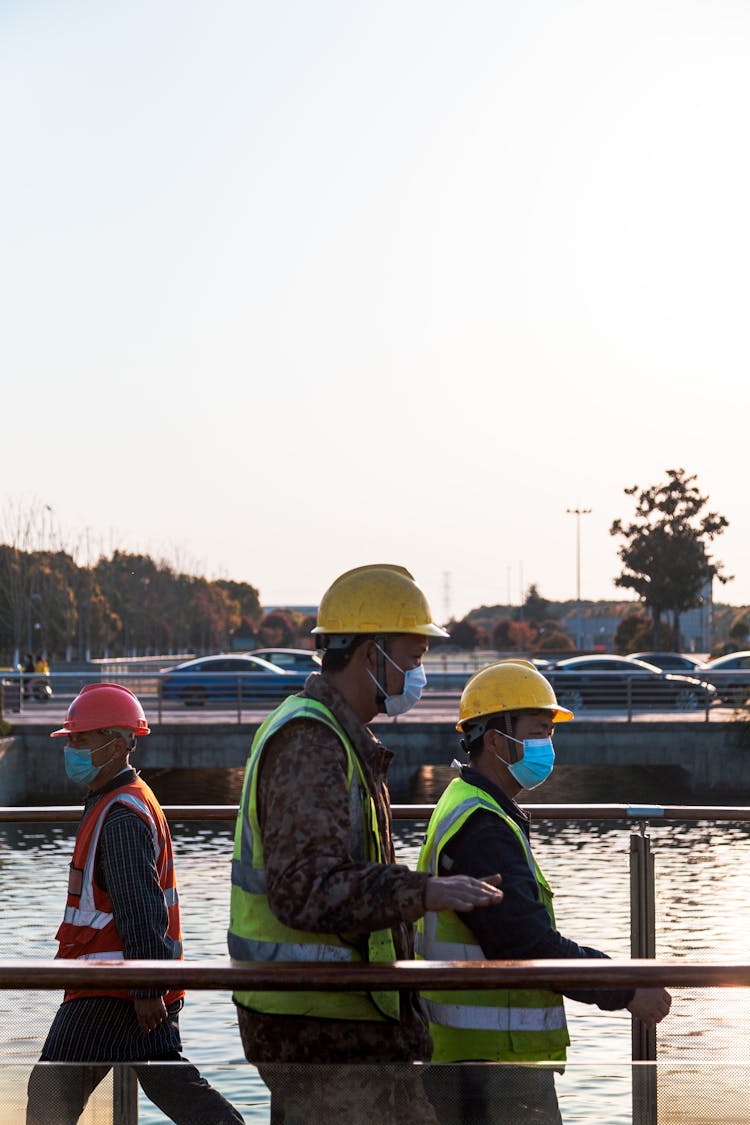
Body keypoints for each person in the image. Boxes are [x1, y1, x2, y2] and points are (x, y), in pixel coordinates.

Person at [228, 564, 503, 1124]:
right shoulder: (313, 743)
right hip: (319, 1029)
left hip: (337, 1017)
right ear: (370, 655)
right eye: (414, 658)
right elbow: (306, 887)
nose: (418, 674)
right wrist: (425, 892)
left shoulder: (337, 736)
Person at [416, 661, 672, 1125]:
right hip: (491, 1068)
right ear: (495, 740)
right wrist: (625, 987)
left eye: (550, 732)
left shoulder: (475, 807)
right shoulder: (482, 827)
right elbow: (525, 943)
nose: (547, 746)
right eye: (538, 731)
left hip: (478, 1057)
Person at [26, 682, 245, 1125]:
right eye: (70, 740)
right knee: (170, 1082)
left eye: (80, 739)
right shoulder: (122, 799)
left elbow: (140, 906)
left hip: (115, 985)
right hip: (129, 981)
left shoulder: (122, 813)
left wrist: (147, 987)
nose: (71, 748)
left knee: (51, 1091)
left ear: (117, 742)